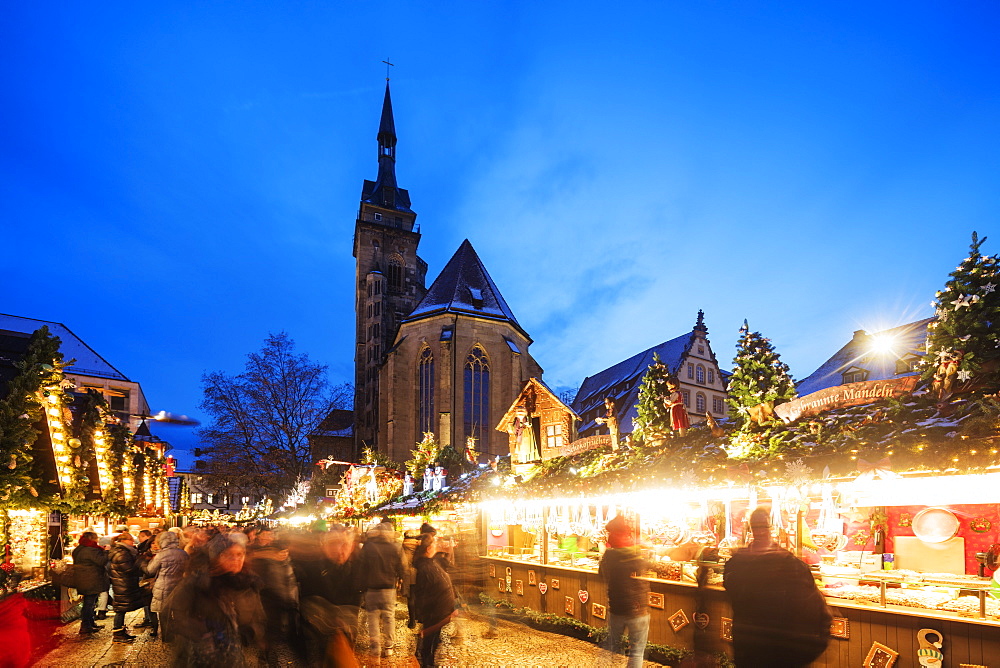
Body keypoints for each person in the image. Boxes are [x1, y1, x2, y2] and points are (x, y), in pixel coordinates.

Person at [724, 507, 832, 667]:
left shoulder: (737, 563)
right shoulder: (790, 564)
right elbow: (817, 611)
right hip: (774, 649)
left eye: (762, 526)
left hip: (753, 647)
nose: (760, 531)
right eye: (757, 526)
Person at [161, 532, 266, 666]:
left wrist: (250, 632)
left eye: (240, 554)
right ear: (216, 558)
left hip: (232, 655)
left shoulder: (247, 582)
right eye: (228, 555)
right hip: (199, 655)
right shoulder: (198, 582)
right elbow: (169, 611)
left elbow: (258, 614)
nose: (236, 559)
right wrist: (198, 634)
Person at [599, 516, 649, 668]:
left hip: (617, 608)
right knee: (637, 651)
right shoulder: (633, 553)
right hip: (637, 609)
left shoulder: (609, 556)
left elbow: (601, 574)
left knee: (611, 646)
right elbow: (646, 567)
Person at [357, 520, 404, 658]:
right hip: (388, 588)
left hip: (371, 588)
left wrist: (361, 586)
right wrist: (400, 580)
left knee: (372, 617)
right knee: (389, 617)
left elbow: (361, 568)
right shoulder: (394, 547)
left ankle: (375, 646)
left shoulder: (368, 547)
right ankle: (389, 646)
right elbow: (402, 566)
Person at [411, 533, 456, 668]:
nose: (436, 546)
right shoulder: (425, 567)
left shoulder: (431, 562)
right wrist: (426, 613)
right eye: (434, 544)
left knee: (433, 640)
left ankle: (428, 662)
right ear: (428, 548)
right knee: (428, 642)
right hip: (434, 611)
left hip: (440, 610)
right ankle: (425, 664)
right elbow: (423, 592)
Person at [143, 529, 189, 639]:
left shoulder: (161, 555)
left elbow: (150, 570)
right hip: (179, 585)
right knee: (178, 611)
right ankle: (179, 635)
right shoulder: (183, 553)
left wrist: (143, 563)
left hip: (163, 586)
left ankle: (167, 636)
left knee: (164, 612)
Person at [108, 532, 148, 643]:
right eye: (131, 540)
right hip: (123, 584)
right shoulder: (122, 553)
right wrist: (140, 562)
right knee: (120, 608)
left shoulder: (123, 551)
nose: (133, 542)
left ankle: (120, 632)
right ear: (124, 541)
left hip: (123, 583)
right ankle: (118, 633)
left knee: (121, 608)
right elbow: (128, 569)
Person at [72, 531, 109, 635]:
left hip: (83, 578)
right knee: (89, 603)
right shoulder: (91, 550)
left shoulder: (79, 549)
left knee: (90, 601)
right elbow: (101, 561)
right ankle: (86, 626)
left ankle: (90, 623)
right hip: (91, 579)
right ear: (93, 539)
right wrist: (106, 552)